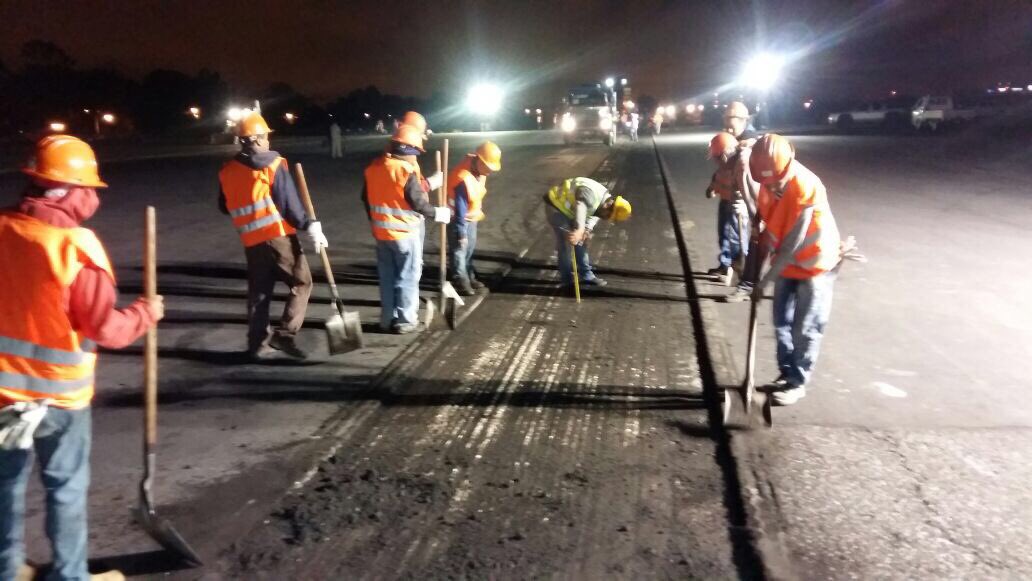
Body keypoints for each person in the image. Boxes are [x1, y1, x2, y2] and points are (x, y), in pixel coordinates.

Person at [0, 135, 164, 581]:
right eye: (89, 188)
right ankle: (69, 576)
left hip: (2, 396)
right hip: (59, 400)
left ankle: (6, 568)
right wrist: (146, 312)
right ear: (69, 190)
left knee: (4, 488)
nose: (94, 198)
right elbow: (105, 330)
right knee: (65, 490)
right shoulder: (76, 247)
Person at [218, 112, 327, 361]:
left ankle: (257, 344)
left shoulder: (227, 171)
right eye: (266, 136)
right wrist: (310, 225)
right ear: (256, 139)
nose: (268, 141)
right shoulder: (272, 165)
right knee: (302, 283)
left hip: (251, 241)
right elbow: (289, 206)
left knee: (259, 293)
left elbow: (224, 206)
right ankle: (285, 334)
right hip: (278, 239)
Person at [749, 134, 841, 406]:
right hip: (787, 264)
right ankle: (786, 372)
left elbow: (792, 242)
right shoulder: (766, 180)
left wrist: (763, 281)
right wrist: (754, 272)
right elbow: (769, 229)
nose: (771, 184)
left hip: (815, 265)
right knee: (781, 322)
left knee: (806, 328)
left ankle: (797, 382)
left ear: (785, 166)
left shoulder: (804, 185)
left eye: (775, 179)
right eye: (766, 181)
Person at [361, 124, 449, 334]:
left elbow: (365, 198)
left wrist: (375, 220)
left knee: (387, 277)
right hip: (405, 235)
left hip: (381, 235)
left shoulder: (373, 168)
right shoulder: (404, 171)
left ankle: (386, 318)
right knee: (408, 277)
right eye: (416, 153)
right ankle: (405, 320)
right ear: (408, 150)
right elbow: (417, 202)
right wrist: (437, 213)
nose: (416, 158)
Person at [543, 177, 632, 291]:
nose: (607, 219)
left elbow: (595, 213)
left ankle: (587, 276)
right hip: (556, 207)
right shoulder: (589, 195)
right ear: (608, 207)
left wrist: (587, 229)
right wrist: (579, 230)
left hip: (571, 210)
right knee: (566, 241)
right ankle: (567, 280)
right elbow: (581, 207)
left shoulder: (603, 200)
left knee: (581, 241)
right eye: (609, 216)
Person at [447, 141, 501, 295]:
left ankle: (469, 275)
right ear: (479, 160)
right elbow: (460, 207)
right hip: (458, 219)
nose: (490, 172)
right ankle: (460, 280)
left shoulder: (479, 170)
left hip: (472, 217)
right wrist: (460, 231)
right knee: (459, 249)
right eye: (488, 168)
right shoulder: (462, 178)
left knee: (469, 249)